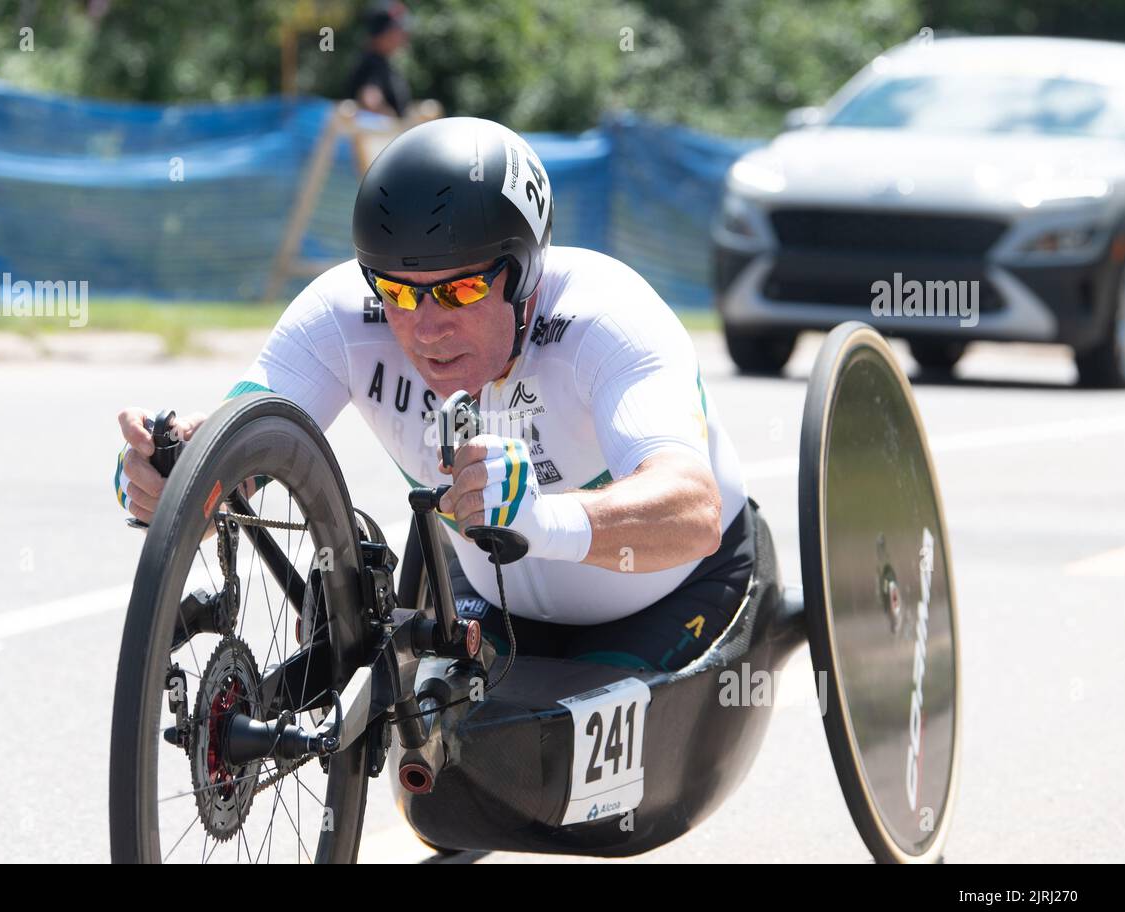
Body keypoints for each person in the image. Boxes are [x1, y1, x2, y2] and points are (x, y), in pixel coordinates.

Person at [115, 116, 753, 673]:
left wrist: (542, 521)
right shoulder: (340, 318)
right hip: (495, 601)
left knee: (558, 781)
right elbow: (238, 446)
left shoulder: (606, 319)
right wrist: (170, 473)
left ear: (523, 272)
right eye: (396, 290)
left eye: (460, 291)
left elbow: (691, 513)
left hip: (671, 592)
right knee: (457, 791)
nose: (425, 326)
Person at [344, 2, 412, 118]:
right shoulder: (372, 65)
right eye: (398, 31)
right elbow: (370, 101)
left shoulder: (380, 62)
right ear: (383, 34)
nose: (403, 36)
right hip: (383, 135)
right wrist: (398, 124)